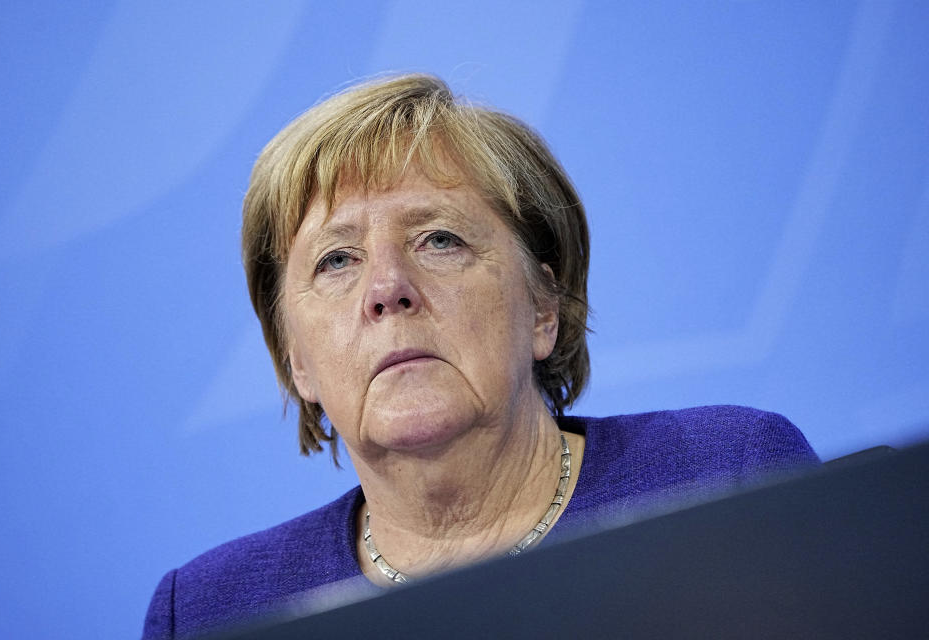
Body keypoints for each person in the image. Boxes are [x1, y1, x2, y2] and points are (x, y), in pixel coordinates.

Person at [142, 74, 818, 638]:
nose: (387, 290)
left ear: (544, 308)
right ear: (297, 362)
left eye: (439, 240)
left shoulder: (727, 475)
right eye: (337, 259)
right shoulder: (209, 611)